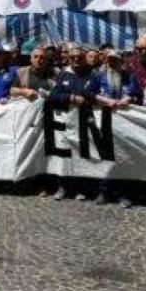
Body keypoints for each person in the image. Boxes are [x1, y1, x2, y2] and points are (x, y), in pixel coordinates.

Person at [89, 50, 139, 209]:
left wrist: (128, 99)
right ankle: (103, 192)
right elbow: (88, 93)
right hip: (103, 121)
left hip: (124, 124)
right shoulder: (98, 76)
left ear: (121, 62)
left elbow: (137, 93)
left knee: (124, 158)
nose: (111, 63)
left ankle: (123, 194)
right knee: (105, 157)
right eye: (109, 60)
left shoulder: (129, 76)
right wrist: (104, 100)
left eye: (115, 60)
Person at [49, 47, 95, 201]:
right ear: (69, 59)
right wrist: (71, 98)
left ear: (84, 58)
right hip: (66, 121)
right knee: (63, 154)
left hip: (84, 121)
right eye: (73, 57)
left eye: (79, 57)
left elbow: (94, 94)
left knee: (81, 154)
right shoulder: (63, 75)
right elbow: (53, 95)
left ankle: (79, 188)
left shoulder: (91, 75)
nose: (76, 60)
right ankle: (62, 187)